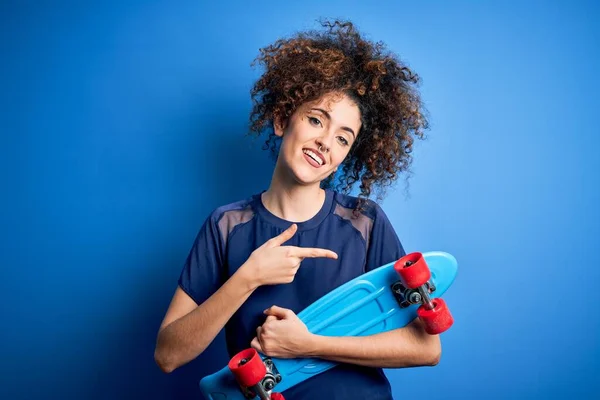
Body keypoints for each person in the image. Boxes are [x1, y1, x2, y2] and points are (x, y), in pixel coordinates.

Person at [154, 19, 440, 399]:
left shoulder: (364, 223)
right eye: (315, 119)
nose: (325, 142)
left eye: (342, 138)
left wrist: (308, 344)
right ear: (280, 119)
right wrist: (247, 278)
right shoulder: (227, 226)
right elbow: (168, 355)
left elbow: (426, 347)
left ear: (343, 158)